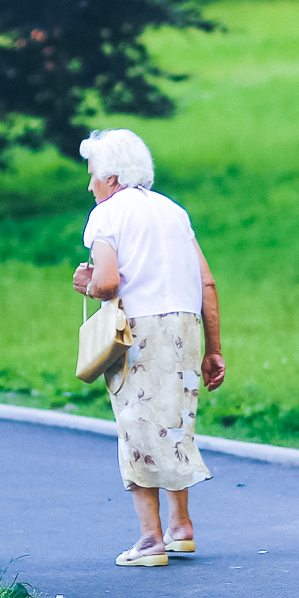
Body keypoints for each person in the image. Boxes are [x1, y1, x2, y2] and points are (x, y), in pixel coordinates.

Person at [71, 129, 227, 568]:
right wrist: (213, 349)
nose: (90, 186)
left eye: (93, 176)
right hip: (185, 326)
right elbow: (207, 283)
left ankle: (149, 540)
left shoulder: (106, 215)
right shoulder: (174, 212)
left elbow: (105, 281)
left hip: (140, 331)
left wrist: (87, 284)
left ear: (112, 177)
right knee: (174, 424)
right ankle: (181, 530)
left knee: (137, 427)